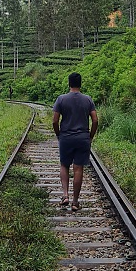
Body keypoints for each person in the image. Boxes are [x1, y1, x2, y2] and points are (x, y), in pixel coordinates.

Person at [53, 72, 98, 212]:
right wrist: (90, 136)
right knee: (78, 168)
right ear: (80, 83)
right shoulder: (88, 99)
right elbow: (95, 120)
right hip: (83, 138)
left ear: (69, 83)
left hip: (66, 137)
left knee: (64, 165)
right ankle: (75, 202)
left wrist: (59, 134)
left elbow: (55, 120)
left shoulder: (61, 99)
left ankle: (65, 195)